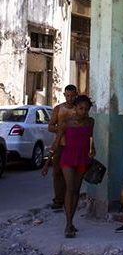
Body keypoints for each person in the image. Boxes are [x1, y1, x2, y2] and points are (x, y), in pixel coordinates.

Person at [50, 94, 94, 238]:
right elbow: (56, 143)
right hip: (68, 157)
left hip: (83, 159)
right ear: (75, 108)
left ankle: (71, 220)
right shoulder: (66, 123)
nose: (83, 112)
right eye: (81, 108)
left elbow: (91, 139)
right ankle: (68, 224)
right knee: (69, 188)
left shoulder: (90, 122)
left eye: (86, 109)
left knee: (76, 190)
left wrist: (93, 150)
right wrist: (47, 163)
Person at [47, 84, 78, 211]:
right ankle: (58, 199)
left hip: (74, 146)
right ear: (64, 95)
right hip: (60, 145)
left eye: (72, 96)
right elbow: (50, 126)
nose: (70, 98)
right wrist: (60, 129)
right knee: (57, 173)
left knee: (72, 174)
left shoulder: (79, 109)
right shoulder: (58, 109)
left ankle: (68, 199)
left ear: (76, 95)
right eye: (67, 95)